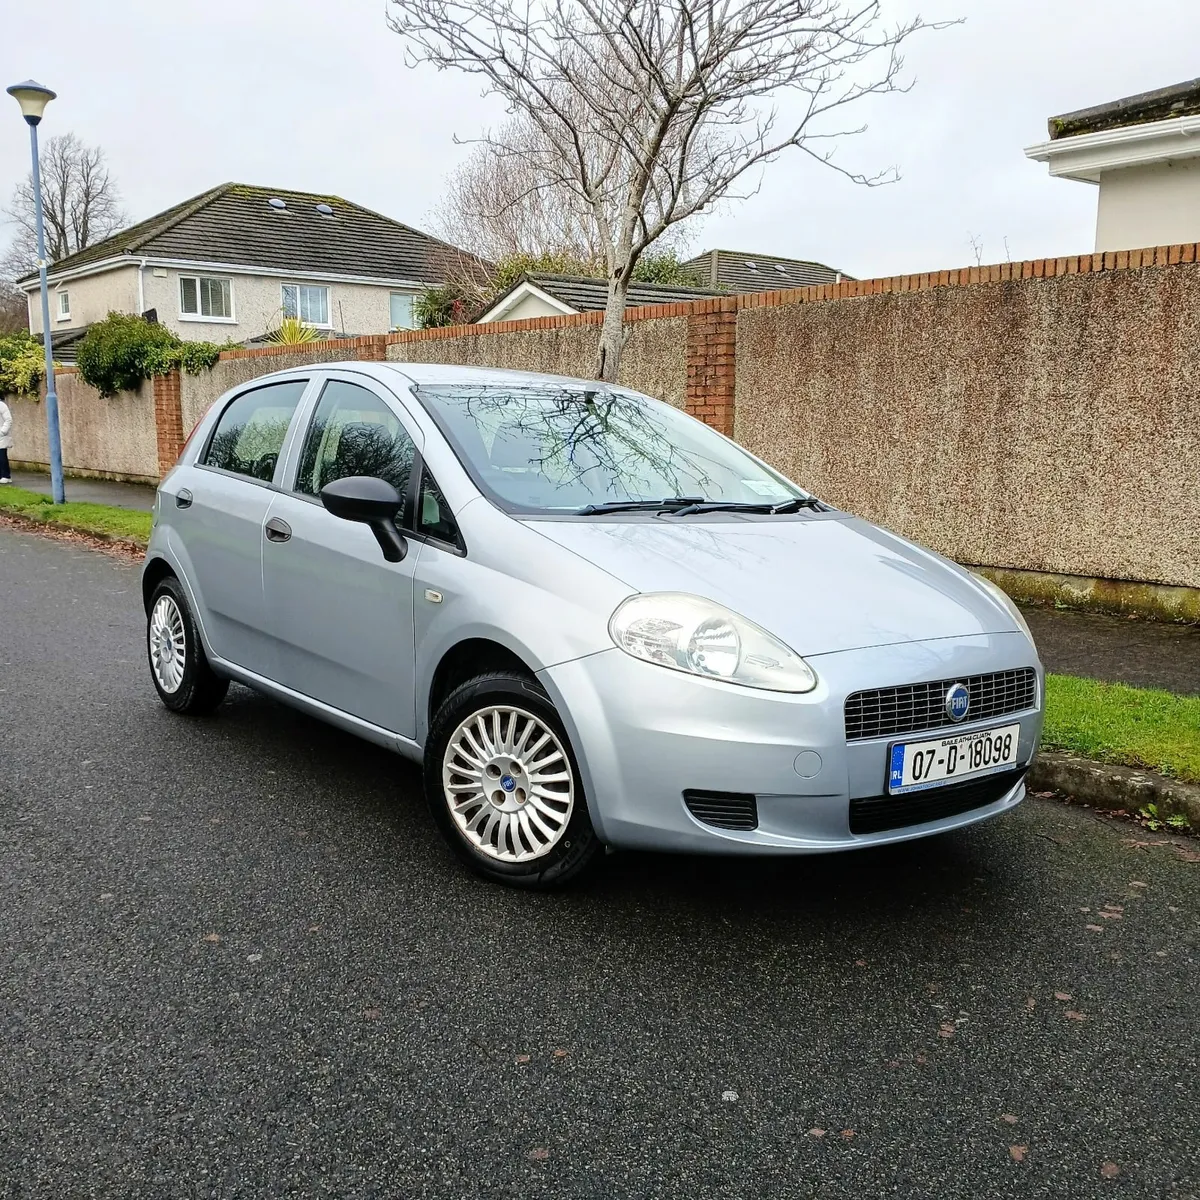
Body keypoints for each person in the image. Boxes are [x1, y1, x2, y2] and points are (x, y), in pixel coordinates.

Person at [0, 396, 11, 483]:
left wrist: (2, 432)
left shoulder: (1, 405)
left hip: (1, 436)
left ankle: (6, 476)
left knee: (2, 455)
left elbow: (8, 420)